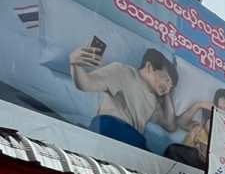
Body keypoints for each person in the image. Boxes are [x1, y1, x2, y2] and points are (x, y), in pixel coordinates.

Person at [68, 45, 204, 149]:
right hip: (110, 126)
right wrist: (75, 64)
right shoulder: (122, 71)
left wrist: (167, 92)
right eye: (166, 79)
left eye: (171, 87)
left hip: (134, 140)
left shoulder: (154, 101)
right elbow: (86, 84)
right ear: (149, 66)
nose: (167, 87)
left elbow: (170, 125)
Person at [164, 89, 225, 167]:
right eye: (219, 109)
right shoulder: (201, 128)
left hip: (212, 172)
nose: (222, 115)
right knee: (172, 150)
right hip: (183, 169)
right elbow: (181, 123)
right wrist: (199, 105)